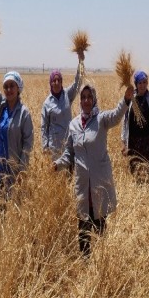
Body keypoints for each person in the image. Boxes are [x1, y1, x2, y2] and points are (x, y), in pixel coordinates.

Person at [53, 83, 134, 257]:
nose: (86, 101)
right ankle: (85, 263)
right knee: (83, 228)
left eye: (90, 97)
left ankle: (100, 263)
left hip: (98, 182)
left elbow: (116, 115)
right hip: (82, 184)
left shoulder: (101, 119)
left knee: (99, 225)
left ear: (94, 99)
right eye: (83, 97)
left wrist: (126, 99)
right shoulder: (74, 124)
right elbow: (69, 152)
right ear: (80, 101)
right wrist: (57, 164)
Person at [0, 42, 33, 208]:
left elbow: (28, 144)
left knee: (14, 210)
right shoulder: (0, 106)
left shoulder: (24, 113)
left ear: (18, 88)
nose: (8, 90)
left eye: (12, 86)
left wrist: (22, 170)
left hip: (14, 172)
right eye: (6, 86)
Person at [41, 51, 84, 160]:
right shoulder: (47, 103)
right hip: (54, 147)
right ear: (50, 83)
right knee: (56, 174)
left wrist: (81, 62)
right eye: (54, 80)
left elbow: (77, 83)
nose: (56, 82)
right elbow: (44, 126)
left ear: (61, 82)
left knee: (69, 173)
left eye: (59, 80)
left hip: (69, 142)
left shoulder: (67, 95)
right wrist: (45, 146)